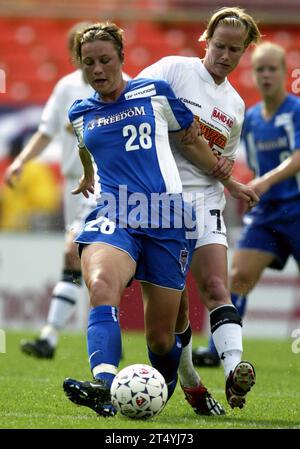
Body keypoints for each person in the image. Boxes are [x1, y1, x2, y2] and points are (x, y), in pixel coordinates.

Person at [61, 21, 259, 417]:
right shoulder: (80, 111)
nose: (97, 69)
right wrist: (86, 175)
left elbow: (191, 140)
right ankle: (102, 382)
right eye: (88, 63)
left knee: (163, 337)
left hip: (167, 217)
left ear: (122, 59)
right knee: (100, 283)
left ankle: (175, 385)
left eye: (104, 60)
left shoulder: (154, 92)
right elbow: (85, 146)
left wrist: (233, 184)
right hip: (115, 211)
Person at [138, 6, 261, 409]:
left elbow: (220, 160)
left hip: (205, 200)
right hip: (159, 201)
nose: (226, 56)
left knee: (214, 287)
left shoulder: (236, 106)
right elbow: (132, 110)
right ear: (205, 40)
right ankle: (191, 381)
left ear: (244, 52)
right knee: (172, 315)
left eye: (235, 51)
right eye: (221, 46)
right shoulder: (173, 69)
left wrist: (229, 179)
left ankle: (234, 371)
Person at [4, 21, 130, 359]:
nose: (90, 61)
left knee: (74, 254)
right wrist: (20, 162)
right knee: (76, 262)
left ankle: (52, 335)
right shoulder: (65, 88)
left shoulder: (129, 88)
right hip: (76, 189)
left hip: (113, 188)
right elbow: (46, 132)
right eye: (82, 52)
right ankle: (54, 338)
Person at [194, 41, 300, 367]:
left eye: (272, 68)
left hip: (297, 208)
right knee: (239, 276)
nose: (266, 75)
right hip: (268, 212)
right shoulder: (250, 117)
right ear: (253, 74)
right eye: (260, 69)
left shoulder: (294, 111)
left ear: (284, 73)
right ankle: (219, 350)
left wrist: (264, 181)